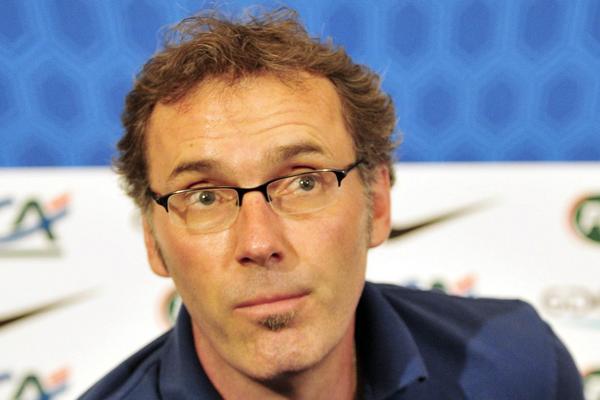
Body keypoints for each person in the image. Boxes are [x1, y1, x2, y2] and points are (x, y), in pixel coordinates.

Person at [80, 7, 583, 400]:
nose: (258, 242)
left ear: (377, 203)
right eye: (205, 196)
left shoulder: (518, 368)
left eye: (303, 183)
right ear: (154, 241)